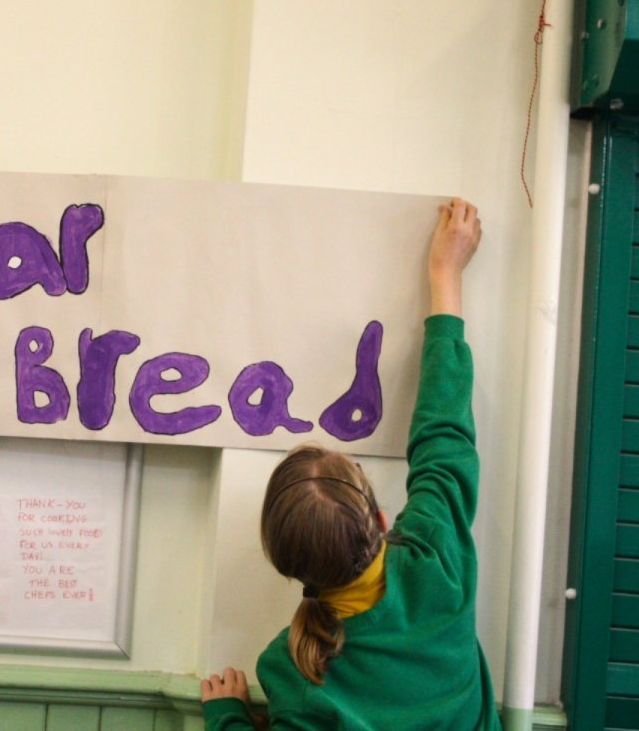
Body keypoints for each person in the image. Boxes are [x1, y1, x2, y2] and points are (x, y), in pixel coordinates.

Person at [202, 198, 499, 729]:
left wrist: (227, 715)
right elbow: (445, 437)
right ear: (381, 521)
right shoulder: (437, 568)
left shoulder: (293, 673)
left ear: (283, 562)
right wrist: (445, 273)